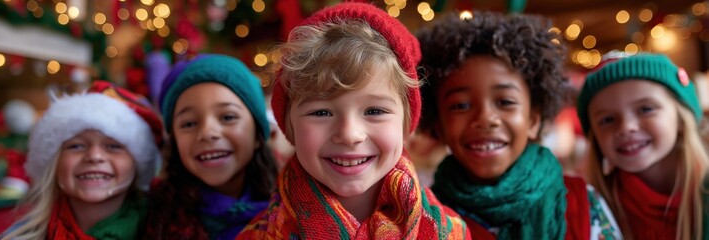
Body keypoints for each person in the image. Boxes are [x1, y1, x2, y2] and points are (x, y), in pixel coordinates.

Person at [237, 2, 470, 239]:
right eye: (321, 113)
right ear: (290, 125)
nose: (349, 134)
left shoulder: (451, 232)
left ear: (405, 122)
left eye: (374, 111)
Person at [417, 11, 621, 239]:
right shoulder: (422, 217)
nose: (485, 118)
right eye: (461, 105)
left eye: (505, 102)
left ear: (533, 120)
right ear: (439, 124)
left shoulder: (582, 203)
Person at [0, 81, 162, 239]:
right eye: (76, 146)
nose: (94, 156)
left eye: (113, 146)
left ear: (138, 162)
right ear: (55, 163)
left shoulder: (164, 232)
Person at [143, 54, 278, 239]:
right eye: (189, 123)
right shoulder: (151, 216)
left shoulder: (294, 210)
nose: (208, 133)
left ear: (257, 134)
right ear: (174, 140)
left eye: (228, 117)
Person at [577, 53, 709, 239]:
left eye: (646, 109)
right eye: (607, 119)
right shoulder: (587, 212)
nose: (626, 127)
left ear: (680, 117)